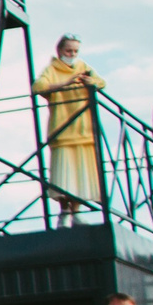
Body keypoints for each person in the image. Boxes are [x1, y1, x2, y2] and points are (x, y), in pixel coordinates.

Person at [35, 35, 106, 225]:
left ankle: (75, 211)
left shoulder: (84, 67)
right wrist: (65, 83)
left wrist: (91, 83)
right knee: (64, 174)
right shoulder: (52, 69)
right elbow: (38, 86)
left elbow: (101, 82)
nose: (72, 55)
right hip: (62, 128)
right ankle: (64, 211)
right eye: (69, 51)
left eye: (75, 51)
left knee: (80, 172)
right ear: (60, 51)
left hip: (84, 128)